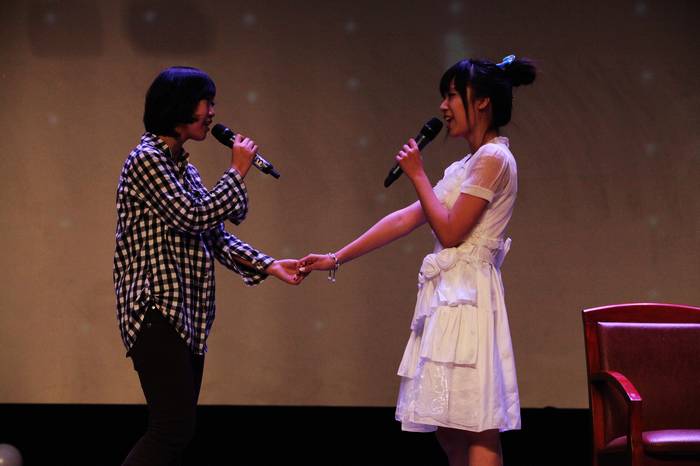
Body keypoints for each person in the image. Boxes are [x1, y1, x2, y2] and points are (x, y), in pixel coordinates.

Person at [299, 55, 536, 466]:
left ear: (482, 101)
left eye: (452, 96)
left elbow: (450, 231)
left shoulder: (494, 159)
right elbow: (404, 219)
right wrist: (336, 257)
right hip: (448, 296)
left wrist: (418, 175)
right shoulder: (467, 164)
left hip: (469, 297)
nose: (444, 107)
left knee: (476, 423)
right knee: (448, 424)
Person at [113, 66, 303, 466]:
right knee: (170, 429)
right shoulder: (146, 159)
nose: (212, 112)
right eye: (207, 102)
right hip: (155, 311)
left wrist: (271, 265)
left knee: (177, 431)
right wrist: (236, 171)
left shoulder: (184, 167)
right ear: (180, 106)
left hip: (187, 316)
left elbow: (216, 232)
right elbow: (192, 216)